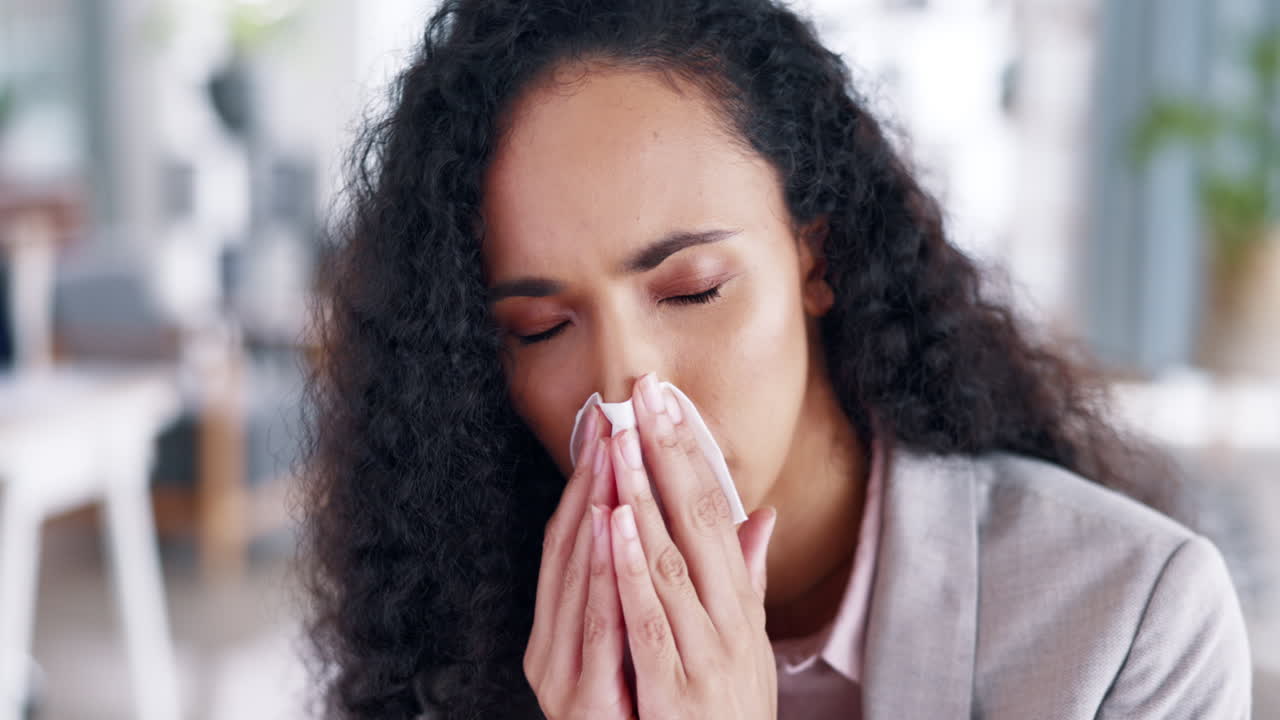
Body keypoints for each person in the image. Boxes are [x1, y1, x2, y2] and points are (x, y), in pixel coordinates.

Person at [299, 1, 1253, 718]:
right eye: (542, 327)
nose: (630, 387)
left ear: (815, 258)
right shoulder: (453, 641)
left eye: (691, 290)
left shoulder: (1130, 621)